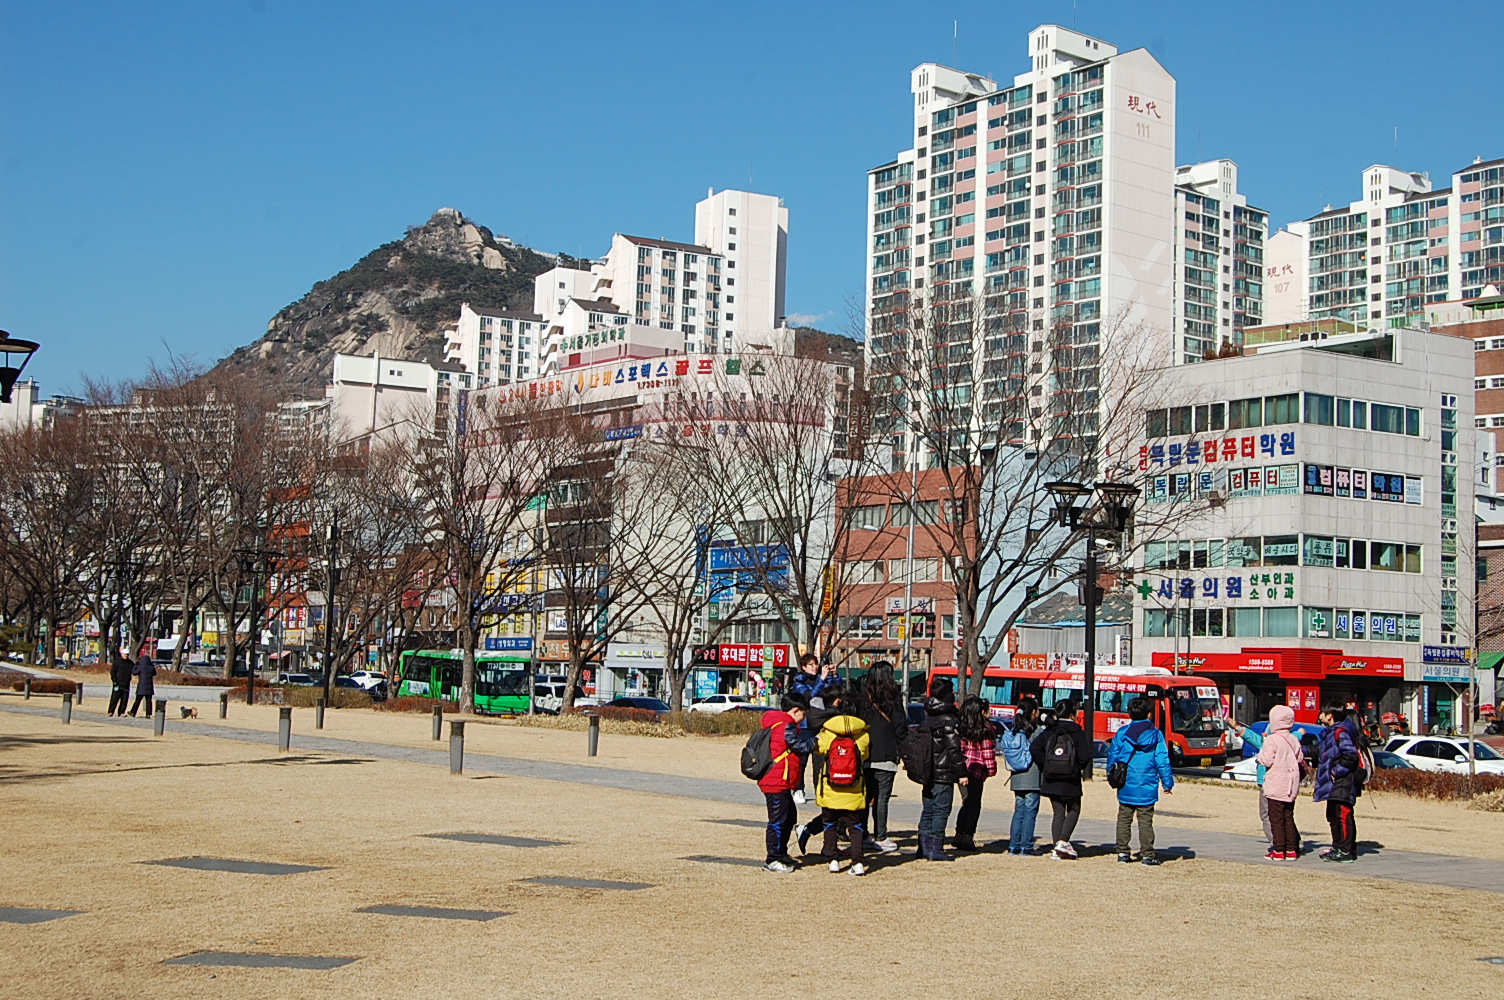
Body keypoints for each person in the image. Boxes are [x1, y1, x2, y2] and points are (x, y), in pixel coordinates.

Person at [1106, 696, 1174, 866]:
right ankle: (1148, 855)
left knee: (1124, 819)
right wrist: (1167, 783)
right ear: (1149, 714)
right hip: (1147, 783)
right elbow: (1162, 760)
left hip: (1126, 782)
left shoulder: (1122, 733)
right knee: (1145, 821)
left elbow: (1112, 756)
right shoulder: (1156, 734)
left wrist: (1111, 775)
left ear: (1129, 713)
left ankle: (1122, 852)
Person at [813, 686, 871, 875]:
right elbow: (864, 756)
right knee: (855, 826)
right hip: (853, 788)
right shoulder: (863, 734)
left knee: (829, 824)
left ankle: (833, 860)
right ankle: (858, 862)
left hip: (831, 787)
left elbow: (819, 749)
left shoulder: (827, 731)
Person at [853, 660, 907, 853]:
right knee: (882, 798)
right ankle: (881, 836)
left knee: (865, 798)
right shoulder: (893, 700)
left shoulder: (862, 700)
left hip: (864, 754)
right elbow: (901, 728)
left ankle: (863, 834)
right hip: (886, 754)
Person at [758, 691, 815, 873]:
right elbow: (797, 745)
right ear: (796, 710)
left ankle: (781, 853)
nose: (803, 718)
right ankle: (772, 858)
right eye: (803, 714)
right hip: (776, 781)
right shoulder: (785, 725)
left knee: (789, 817)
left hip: (779, 781)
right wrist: (815, 742)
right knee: (778, 820)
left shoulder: (778, 722)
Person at [1030, 699, 1093, 860]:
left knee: (1058, 812)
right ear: (1073, 714)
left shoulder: (1050, 730)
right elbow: (1085, 756)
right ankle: (1063, 841)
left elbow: (1035, 748)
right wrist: (1074, 766)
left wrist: (1047, 763)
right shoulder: (1077, 732)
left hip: (1051, 777)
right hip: (1070, 778)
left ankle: (1057, 846)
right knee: (1074, 809)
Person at [917, 676, 964, 861]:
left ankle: (923, 847)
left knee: (928, 809)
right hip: (943, 772)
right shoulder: (948, 719)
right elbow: (954, 749)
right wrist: (962, 773)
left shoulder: (928, 716)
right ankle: (936, 848)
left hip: (927, 770)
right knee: (941, 810)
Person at [1314, 704, 1364, 863]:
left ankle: (1345, 850)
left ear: (1330, 715)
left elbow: (1350, 755)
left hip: (1343, 782)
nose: (1320, 715)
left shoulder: (1340, 732)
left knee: (1342, 815)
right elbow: (1319, 751)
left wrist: (1336, 771)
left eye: (1322, 712)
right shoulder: (1330, 733)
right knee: (1332, 815)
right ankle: (1338, 847)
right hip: (1334, 783)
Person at [1255, 704, 1304, 860]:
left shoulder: (1272, 740)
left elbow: (1266, 760)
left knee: (1275, 818)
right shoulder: (1293, 739)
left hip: (1276, 782)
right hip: (1291, 783)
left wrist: (1260, 757)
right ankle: (1291, 850)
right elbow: (1300, 758)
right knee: (1288, 816)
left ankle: (1278, 849)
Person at [788, 653, 837, 804]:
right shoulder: (798, 682)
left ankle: (821, 789)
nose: (815, 667)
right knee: (802, 759)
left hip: (821, 722)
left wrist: (834, 676)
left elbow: (835, 691)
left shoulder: (822, 679)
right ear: (803, 667)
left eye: (816, 664)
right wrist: (822, 679)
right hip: (805, 725)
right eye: (811, 664)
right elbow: (810, 696)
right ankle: (798, 789)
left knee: (822, 760)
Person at [952, 695, 999, 852]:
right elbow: (987, 752)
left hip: (962, 769)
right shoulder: (985, 729)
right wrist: (992, 770)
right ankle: (967, 836)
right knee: (974, 804)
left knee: (966, 802)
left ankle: (959, 834)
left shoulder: (962, 727)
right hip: (977, 770)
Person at [1002, 697, 1043, 855]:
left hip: (1017, 776)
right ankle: (1026, 845)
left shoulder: (1014, 730)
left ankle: (1014, 845)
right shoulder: (1037, 731)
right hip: (1032, 776)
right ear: (1034, 712)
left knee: (1019, 810)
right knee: (1030, 811)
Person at [1226, 717, 1274, 845]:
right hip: (1283, 783)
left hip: (1267, 781)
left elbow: (1254, 739)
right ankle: (1291, 843)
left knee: (1267, 815)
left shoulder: (1269, 743)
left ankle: (1277, 843)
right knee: (1284, 814)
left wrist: (1237, 727)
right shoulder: (1290, 740)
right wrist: (1300, 733)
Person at [128, 648, 157, 718]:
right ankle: (148, 714)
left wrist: (135, 665)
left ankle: (133, 712)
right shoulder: (151, 667)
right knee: (148, 701)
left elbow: (134, 672)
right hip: (149, 686)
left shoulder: (141, 667)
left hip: (141, 686)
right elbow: (154, 673)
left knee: (137, 700)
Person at [107, 652, 133, 717]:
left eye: (127, 654)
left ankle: (121, 712)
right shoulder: (117, 662)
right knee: (114, 699)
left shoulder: (130, 663)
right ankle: (111, 711)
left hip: (126, 684)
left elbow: (134, 670)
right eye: (125, 654)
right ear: (122, 654)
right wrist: (114, 681)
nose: (126, 656)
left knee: (124, 700)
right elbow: (113, 672)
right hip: (117, 684)